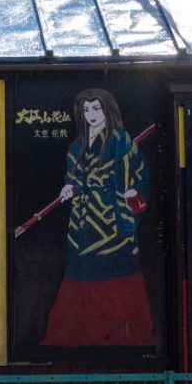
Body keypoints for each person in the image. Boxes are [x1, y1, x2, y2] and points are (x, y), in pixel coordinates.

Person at [40, 88, 154, 349]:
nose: (91, 115)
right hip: (82, 224)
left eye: (97, 108)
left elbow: (140, 176)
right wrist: (69, 187)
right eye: (86, 109)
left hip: (114, 222)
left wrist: (133, 192)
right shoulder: (76, 147)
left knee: (118, 286)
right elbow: (73, 178)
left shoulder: (123, 142)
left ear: (107, 110)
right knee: (77, 280)